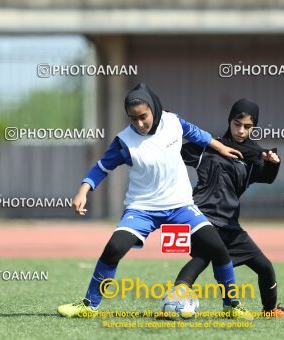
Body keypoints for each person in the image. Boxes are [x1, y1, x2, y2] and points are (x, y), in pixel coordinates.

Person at [57, 84, 253, 320]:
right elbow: (101, 168)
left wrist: (221, 147)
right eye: (133, 118)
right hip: (142, 209)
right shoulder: (124, 141)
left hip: (181, 205)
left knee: (218, 248)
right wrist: (83, 190)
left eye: (144, 116)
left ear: (154, 109)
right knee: (113, 249)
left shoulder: (173, 122)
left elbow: (197, 134)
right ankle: (89, 304)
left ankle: (232, 306)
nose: (140, 123)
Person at [173, 98, 284, 318]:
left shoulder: (253, 158)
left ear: (254, 128)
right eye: (237, 124)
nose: (241, 130)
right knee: (201, 260)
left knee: (265, 267)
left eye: (247, 126)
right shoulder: (208, 147)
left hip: (230, 224)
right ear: (229, 121)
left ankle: (271, 310)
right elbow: (172, 152)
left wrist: (273, 163)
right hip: (202, 218)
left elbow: (266, 177)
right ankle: (172, 303)